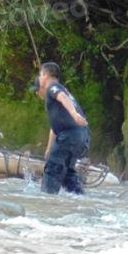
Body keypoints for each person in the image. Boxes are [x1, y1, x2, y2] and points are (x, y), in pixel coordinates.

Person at [33, 62, 90, 194]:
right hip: (82, 136)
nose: (39, 78)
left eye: (40, 75)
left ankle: (46, 198)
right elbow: (55, 128)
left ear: (46, 76)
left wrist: (74, 114)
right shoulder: (62, 90)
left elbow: (62, 97)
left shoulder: (52, 87)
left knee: (52, 168)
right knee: (67, 172)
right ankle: (79, 197)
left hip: (70, 135)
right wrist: (49, 149)